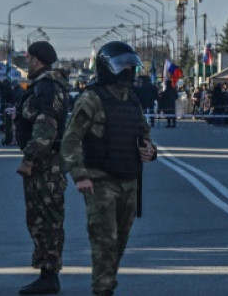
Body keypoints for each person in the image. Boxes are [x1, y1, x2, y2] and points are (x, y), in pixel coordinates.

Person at [61, 41, 157, 296]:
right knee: (105, 240)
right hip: (100, 180)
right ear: (107, 68)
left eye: (129, 65)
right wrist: (80, 175)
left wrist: (150, 150)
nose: (127, 70)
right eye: (121, 65)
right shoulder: (92, 98)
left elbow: (143, 134)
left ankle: (107, 282)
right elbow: (70, 140)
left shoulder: (132, 100)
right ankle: (103, 289)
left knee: (120, 240)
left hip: (129, 179)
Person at [14, 41, 69, 295]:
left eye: (28, 57)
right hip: (48, 163)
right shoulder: (48, 84)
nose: (26, 61)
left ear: (36, 59)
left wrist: (29, 159)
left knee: (45, 219)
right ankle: (47, 273)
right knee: (44, 218)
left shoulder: (46, 86)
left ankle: (49, 275)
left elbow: (45, 126)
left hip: (45, 165)